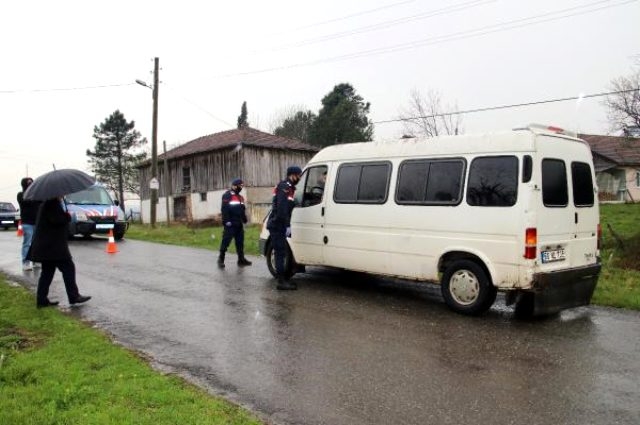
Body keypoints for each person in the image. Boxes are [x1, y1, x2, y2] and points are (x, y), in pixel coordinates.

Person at [28, 197, 91, 308]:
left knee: (47, 273)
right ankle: (74, 296)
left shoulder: (47, 203)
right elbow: (56, 220)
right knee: (68, 268)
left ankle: (41, 300)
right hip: (53, 246)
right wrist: (67, 216)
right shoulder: (52, 203)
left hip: (47, 246)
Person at [267, 166, 302, 290]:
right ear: (292, 175)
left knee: (281, 251)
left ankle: (283, 279)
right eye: (298, 175)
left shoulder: (290, 187)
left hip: (280, 223)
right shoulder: (285, 187)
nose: (299, 178)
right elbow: (282, 209)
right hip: (277, 224)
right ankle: (281, 282)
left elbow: (288, 206)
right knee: (280, 253)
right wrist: (287, 225)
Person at [217, 178, 252, 268]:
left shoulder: (240, 197)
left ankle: (241, 259)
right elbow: (224, 209)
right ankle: (221, 259)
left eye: (242, 186)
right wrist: (226, 221)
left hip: (239, 224)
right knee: (226, 241)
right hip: (230, 224)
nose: (241, 187)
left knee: (240, 242)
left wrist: (245, 220)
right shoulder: (227, 195)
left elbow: (242, 210)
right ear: (234, 186)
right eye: (240, 186)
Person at [17, 177, 41, 271]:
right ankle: (25, 262)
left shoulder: (37, 195)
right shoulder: (21, 194)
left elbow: (41, 202)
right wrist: (33, 197)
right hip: (27, 222)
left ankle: (36, 260)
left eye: (32, 182)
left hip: (37, 222)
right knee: (27, 242)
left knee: (36, 242)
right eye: (28, 183)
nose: (30, 184)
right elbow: (25, 202)